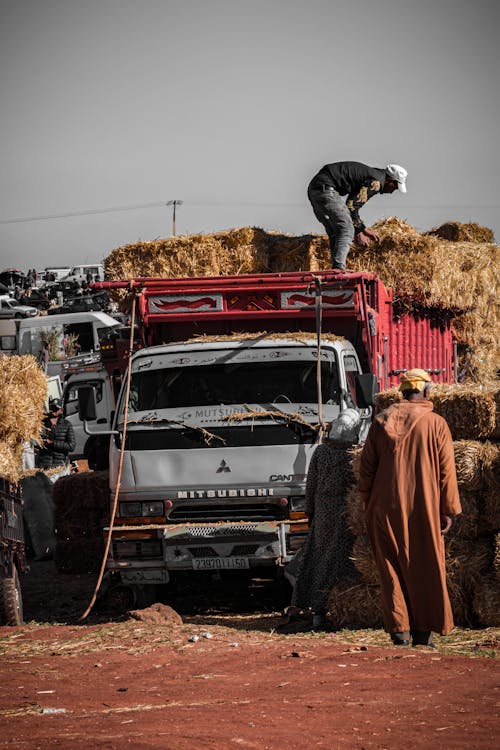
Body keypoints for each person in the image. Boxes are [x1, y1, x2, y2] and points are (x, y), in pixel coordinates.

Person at [358, 369, 461, 648]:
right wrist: (448, 508)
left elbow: (365, 469)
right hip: (423, 506)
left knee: (390, 568)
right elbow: (446, 472)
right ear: (426, 391)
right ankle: (422, 635)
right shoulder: (436, 423)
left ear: (402, 392)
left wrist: (367, 504)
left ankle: (399, 632)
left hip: (384, 506)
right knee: (425, 566)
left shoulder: (380, 422)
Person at [279, 409, 362, 632]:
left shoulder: (321, 452)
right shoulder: (353, 455)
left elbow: (311, 486)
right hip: (346, 514)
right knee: (343, 562)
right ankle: (335, 612)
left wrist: (310, 512)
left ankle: (317, 612)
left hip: (324, 514)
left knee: (319, 561)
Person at [307, 161, 407, 270]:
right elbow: (351, 206)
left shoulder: (373, 175)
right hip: (327, 189)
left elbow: (351, 203)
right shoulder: (376, 183)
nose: (393, 191)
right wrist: (358, 233)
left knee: (336, 232)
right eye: (395, 187)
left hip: (315, 188)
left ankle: (335, 268)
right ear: (390, 180)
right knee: (346, 229)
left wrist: (363, 229)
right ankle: (338, 270)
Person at [36, 398, 76, 469]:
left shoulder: (67, 424)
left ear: (61, 410)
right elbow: (35, 443)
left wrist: (52, 443)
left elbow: (71, 446)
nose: (53, 411)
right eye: (52, 408)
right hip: (44, 465)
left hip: (60, 466)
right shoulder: (41, 423)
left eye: (56, 409)